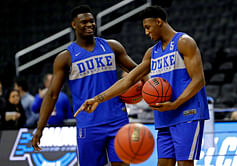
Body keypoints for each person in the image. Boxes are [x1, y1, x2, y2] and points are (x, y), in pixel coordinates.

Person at [75, 6, 210, 166]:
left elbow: (199, 80)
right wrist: (97, 99)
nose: (146, 32)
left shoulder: (184, 42)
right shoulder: (152, 53)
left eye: (148, 27)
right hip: (164, 114)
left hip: (187, 113)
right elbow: (128, 80)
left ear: (158, 22)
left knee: (184, 164)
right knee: (164, 163)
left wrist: (175, 103)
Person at [32, 5, 141, 166]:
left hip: (117, 119)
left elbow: (137, 70)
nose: (90, 25)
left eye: (92, 21)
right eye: (84, 22)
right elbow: (52, 94)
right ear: (74, 25)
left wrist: (154, 87)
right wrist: (40, 128)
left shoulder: (111, 47)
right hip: (89, 124)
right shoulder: (65, 58)